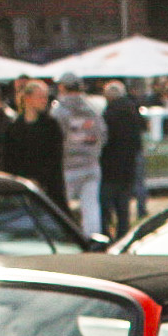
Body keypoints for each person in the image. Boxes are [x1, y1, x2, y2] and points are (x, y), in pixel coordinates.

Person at [52, 72, 105, 236]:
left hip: (67, 166)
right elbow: (103, 134)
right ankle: (94, 238)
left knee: (60, 207)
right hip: (91, 164)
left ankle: (64, 237)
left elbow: (54, 138)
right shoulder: (93, 109)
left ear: (62, 87)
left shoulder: (58, 111)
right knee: (91, 207)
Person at [2, 78, 66, 209]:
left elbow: (54, 157)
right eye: (40, 97)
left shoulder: (51, 126)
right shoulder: (15, 128)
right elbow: (9, 159)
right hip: (21, 189)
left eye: (45, 97)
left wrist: (40, 179)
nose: (44, 101)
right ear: (28, 98)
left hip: (49, 188)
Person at [99, 80, 143, 241]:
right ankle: (123, 234)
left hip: (110, 166)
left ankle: (105, 233)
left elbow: (104, 140)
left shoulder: (108, 114)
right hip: (128, 165)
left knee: (106, 203)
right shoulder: (133, 111)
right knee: (123, 206)